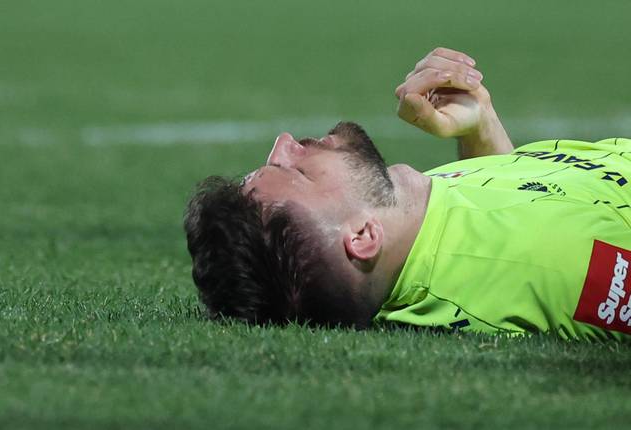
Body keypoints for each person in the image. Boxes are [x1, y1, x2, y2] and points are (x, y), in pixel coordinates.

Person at [183, 47, 631, 340]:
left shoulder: (416, 227)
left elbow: (517, 223)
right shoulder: (559, 267)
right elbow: (540, 255)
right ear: (363, 236)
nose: (285, 142)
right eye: (295, 172)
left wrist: (481, 132)